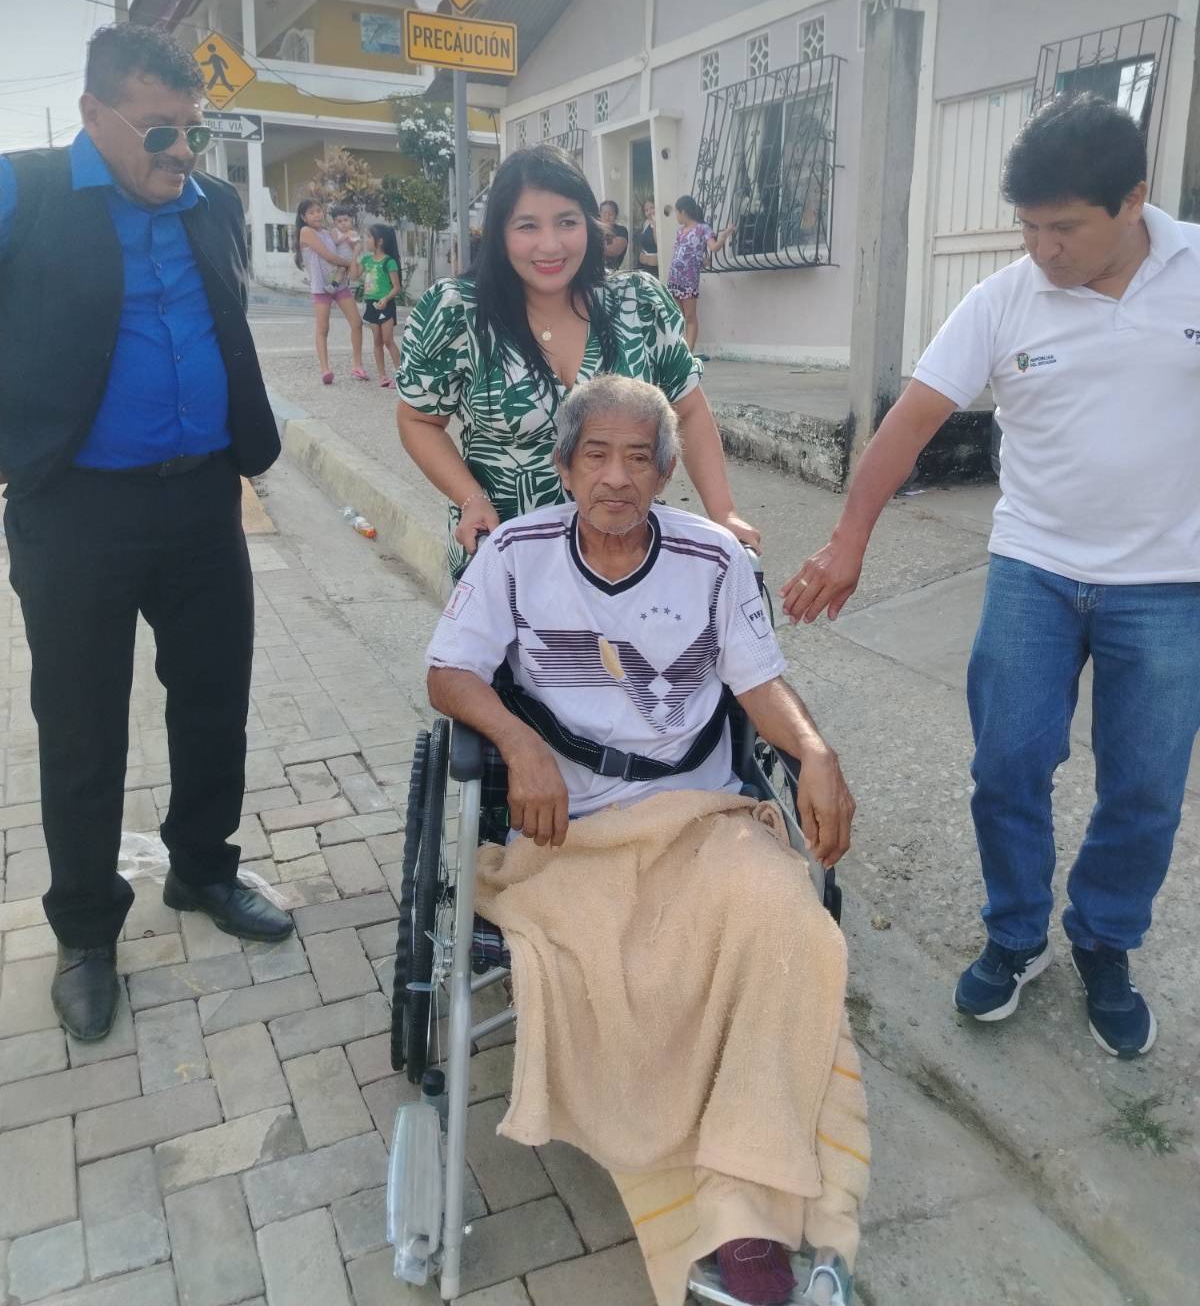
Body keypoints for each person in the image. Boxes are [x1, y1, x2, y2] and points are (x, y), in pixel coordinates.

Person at [425, 375, 863, 1306]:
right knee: (617, 973)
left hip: (701, 818)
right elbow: (449, 672)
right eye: (596, 455)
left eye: (638, 459)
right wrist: (517, 742)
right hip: (574, 836)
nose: (616, 478)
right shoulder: (516, 554)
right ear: (564, 466)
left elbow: (758, 684)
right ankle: (688, 1186)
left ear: (666, 474)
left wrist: (816, 750)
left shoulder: (713, 558)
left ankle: (745, 1220)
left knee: (790, 923)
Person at [782, 94, 1200, 1060]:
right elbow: (909, 423)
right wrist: (848, 540)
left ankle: (1104, 941)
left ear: (1134, 199)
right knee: (1007, 763)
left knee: (1145, 786)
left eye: (1065, 228)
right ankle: (1016, 934)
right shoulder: (1004, 299)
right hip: (1034, 571)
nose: (1042, 249)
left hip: (1170, 584)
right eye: (1028, 226)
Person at [0, 23, 292, 1043]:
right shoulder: (25, 191)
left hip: (204, 500)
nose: (181, 152)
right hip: (76, 511)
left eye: (193, 132)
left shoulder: (209, 204)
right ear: (95, 115)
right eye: (159, 131)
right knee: (82, 725)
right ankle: (86, 932)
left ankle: (202, 868)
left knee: (213, 701)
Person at [397, 144, 760, 581]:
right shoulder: (458, 312)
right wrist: (471, 498)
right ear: (498, 233)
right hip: (507, 566)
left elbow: (691, 409)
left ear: (590, 223)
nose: (550, 245)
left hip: (627, 563)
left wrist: (724, 514)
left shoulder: (638, 304)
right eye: (527, 226)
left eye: (567, 222)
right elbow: (418, 420)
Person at [294, 198, 366, 385]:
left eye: (318, 211)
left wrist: (355, 250)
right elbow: (329, 256)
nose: (317, 215)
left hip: (339, 285)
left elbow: (344, 249)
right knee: (323, 328)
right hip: (321, 287)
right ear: (303, 217)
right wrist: (350, 264)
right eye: (311, 212)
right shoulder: (306, 231)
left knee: (357, 323)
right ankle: (325, 370)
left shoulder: (328, 233)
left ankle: (357, 365)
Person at [668, 195, 727, 353]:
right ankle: (681, 351)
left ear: (683, 212)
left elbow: (714, 247)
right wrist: (701, 261)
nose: (676, 216)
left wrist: (722, 237)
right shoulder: (680, 232)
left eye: (677, 212)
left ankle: (689, 353)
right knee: (679, 317)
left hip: (689, 279)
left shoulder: (703, 228)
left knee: (690, 316)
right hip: (674, 277)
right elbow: (683, 253)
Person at [360, 221, 403, 385]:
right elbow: (354, 275)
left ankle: (401, 375)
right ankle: (382, 376)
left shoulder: (389, 262)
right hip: (371, 304)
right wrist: (354, 251)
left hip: (386, 304)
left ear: (380, 241)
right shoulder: (366, 260)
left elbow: (396, 287)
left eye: (369, 237)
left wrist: (386, 299)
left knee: (388, 340)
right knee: (377, 341)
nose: (366, 240)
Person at [599, 197, 629, 270]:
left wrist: (606, 231)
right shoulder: (594, 230)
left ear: (615, 215)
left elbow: (612, 251)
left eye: (611, 214)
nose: (607, 217)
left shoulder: (621, 230)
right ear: (600, 214)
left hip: (611, 273)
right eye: (604, 213)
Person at [637, 196, 659, 277]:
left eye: (652, 208)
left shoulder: (661, 224)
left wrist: (655, 223)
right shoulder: (646, 222)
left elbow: (658, 243)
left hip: (654, 270)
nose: (649, 212)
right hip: (641, 266)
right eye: (646, 210)